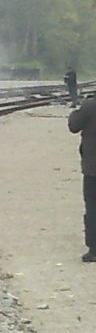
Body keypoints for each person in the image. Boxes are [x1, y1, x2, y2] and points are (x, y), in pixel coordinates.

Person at [67, 97, 96, 262]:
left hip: (93, 168)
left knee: (93, 208)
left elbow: (73, 126)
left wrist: (77, 110)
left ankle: (94, 249)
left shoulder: (90, 105)